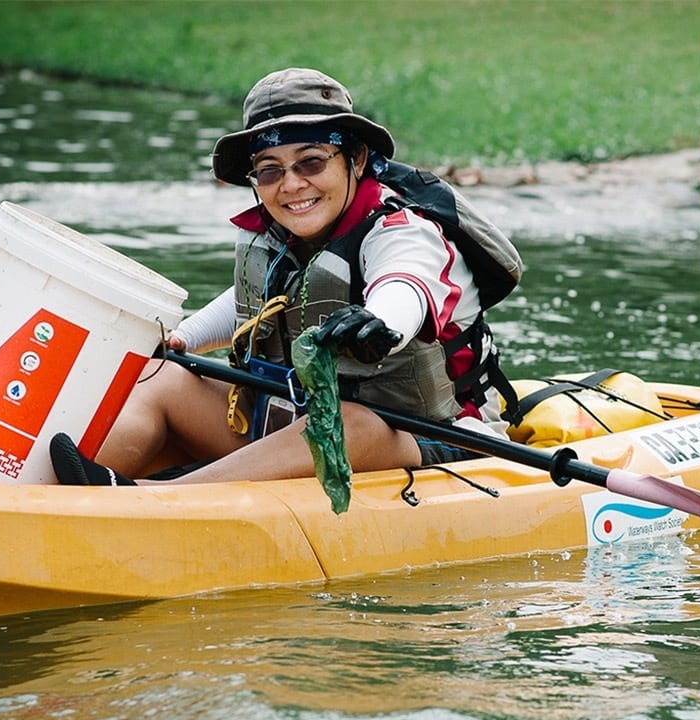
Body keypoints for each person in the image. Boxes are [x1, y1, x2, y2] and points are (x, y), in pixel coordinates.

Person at [50, 67, 513, 486]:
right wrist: (181, 340)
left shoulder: (404, 232)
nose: (290, 185)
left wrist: (379, 324)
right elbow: (252, 301)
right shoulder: (281, 239)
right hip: (300, 420)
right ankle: (49, 484)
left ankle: (155, 498)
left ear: (354, 159)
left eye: (311, 162)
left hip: (433, 437)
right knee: (161, 376)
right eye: (269, 171)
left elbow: (405, 286)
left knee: (350, 422)